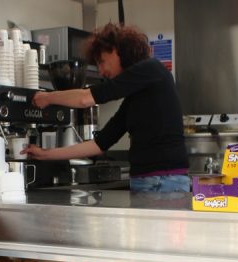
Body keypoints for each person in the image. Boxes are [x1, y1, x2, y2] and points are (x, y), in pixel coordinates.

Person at [26, 22, 190, 193]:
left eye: (102, 62)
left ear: (116, 50)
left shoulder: (152, 69)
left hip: (164, 180)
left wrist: (47, 97)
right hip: (148, 180)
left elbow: (85, 99)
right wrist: (46, 154)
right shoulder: (136, 96)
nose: (102, 71)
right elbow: (99, 144)